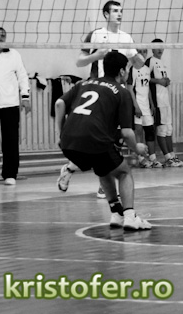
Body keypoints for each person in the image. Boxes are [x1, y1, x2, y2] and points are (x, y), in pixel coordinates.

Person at [55, 51, 152, 230]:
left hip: (68, 143)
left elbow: (59, 104)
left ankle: (116, 214)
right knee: (124, 172)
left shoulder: (83, 84)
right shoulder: (122, 92)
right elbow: (127, 133)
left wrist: (60, 134)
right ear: (122, 71)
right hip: (95, 140)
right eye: (127, 69)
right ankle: (130, 216)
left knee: (103, 167)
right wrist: (137, 148)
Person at [76, 0, 145, 198]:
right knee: (103, 139)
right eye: (115, 11)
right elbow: (79, 62)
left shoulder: (126, 37)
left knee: (118, 138)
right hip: (100, 91)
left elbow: (138, 64)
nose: (119, 14)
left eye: (120, 10)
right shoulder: (95, 34)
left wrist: (138, 58)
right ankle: (99, 181)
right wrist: (96, 56)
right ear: (106, 14)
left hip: (119, 93)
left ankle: (103, 179)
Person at [0, 27, 31, 186]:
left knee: (11, 141)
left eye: (2, 36)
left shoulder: (14, 54)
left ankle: (10, 174)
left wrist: (25, 97)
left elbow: (22, 76)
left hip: (10, 104)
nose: (0, 39)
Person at [147, 40, 183, 167]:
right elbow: (144, 78)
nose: (160, 49)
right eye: (157, 47)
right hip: (157, 101)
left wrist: (166, 81)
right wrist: (158, 81)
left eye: (161, 47)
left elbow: (162, 80)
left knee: (169, 129)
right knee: (162, 129)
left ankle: (172, 156)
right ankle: (167, 158)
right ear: (152, 49)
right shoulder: (150, 61)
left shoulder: (162, 63)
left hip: (165, 100)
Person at [129, 50, 161, 169]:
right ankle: (141, 158)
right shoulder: (132, 69)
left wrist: (151, 103)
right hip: (137, 105)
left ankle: (153, 158)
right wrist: (136, 106)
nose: (143, 54)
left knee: (150, 131)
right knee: (138, 131)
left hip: (146, 105)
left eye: (144, 52)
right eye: (141, 52)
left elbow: (147, 88)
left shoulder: (147, 69)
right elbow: (129, 88)